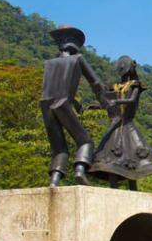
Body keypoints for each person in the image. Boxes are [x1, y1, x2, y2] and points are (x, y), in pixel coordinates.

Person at [40, 25, 107, 187]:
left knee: (59, 148)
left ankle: (54, 181)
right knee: (85, 142)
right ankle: (79, 171)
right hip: (63, 103)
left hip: (45, 105)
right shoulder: (77, 59)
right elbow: (96, 83)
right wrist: (106, 102)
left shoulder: (50, 63)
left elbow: (52, 89)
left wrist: (78, 106)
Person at [89, 55, 152, 189]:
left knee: (133, 159)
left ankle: (133, 190)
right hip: (115, 126)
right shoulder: (114, 87)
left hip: (127, 125)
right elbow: (108, 103)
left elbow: (131, 100)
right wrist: (97, 106)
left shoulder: (135, 85)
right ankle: (114, 188)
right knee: (111, 159)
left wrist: (116, 101)